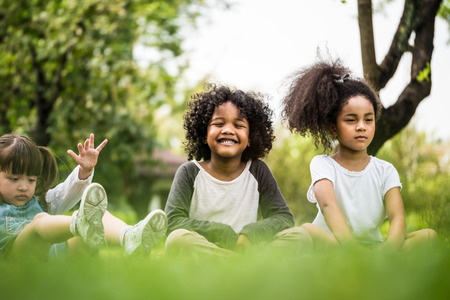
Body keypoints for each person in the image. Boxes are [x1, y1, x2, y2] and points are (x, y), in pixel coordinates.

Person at [281, 58, 437, 251]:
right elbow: (329, 206)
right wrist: (354, 251)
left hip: (374, 247)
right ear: (333, 128)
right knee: (307, 230)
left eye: (368, 120)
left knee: (429, 236)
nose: (361, 127)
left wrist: (386, 251)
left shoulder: (385, 170)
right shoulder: (322, 164)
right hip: (336, 244)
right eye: (351, 120)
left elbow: (397, 218)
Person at [164, 84, 312, 258]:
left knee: (301, 237)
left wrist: (249, 234)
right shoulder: (189, 172)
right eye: (218, 123)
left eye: (238, 125)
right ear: (204, 134)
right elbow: (173, 221)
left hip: (247, 248)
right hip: (208, 249)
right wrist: (221, 233)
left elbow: (283, 217)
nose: (228, 130)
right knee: (177, 240)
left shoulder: (257, 170)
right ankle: (243, 267)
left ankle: (240, 266)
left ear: (250, 138)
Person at [0, 134, 167, 259]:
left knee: (98, 216)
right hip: (16, 256)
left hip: (53, 259)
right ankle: (81, 223)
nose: (23, 187)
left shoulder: (42, 201)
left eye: (31, 180)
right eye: (14, 179)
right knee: (40, 220)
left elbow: (66, 192)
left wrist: (84, 171)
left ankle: (129, 237)